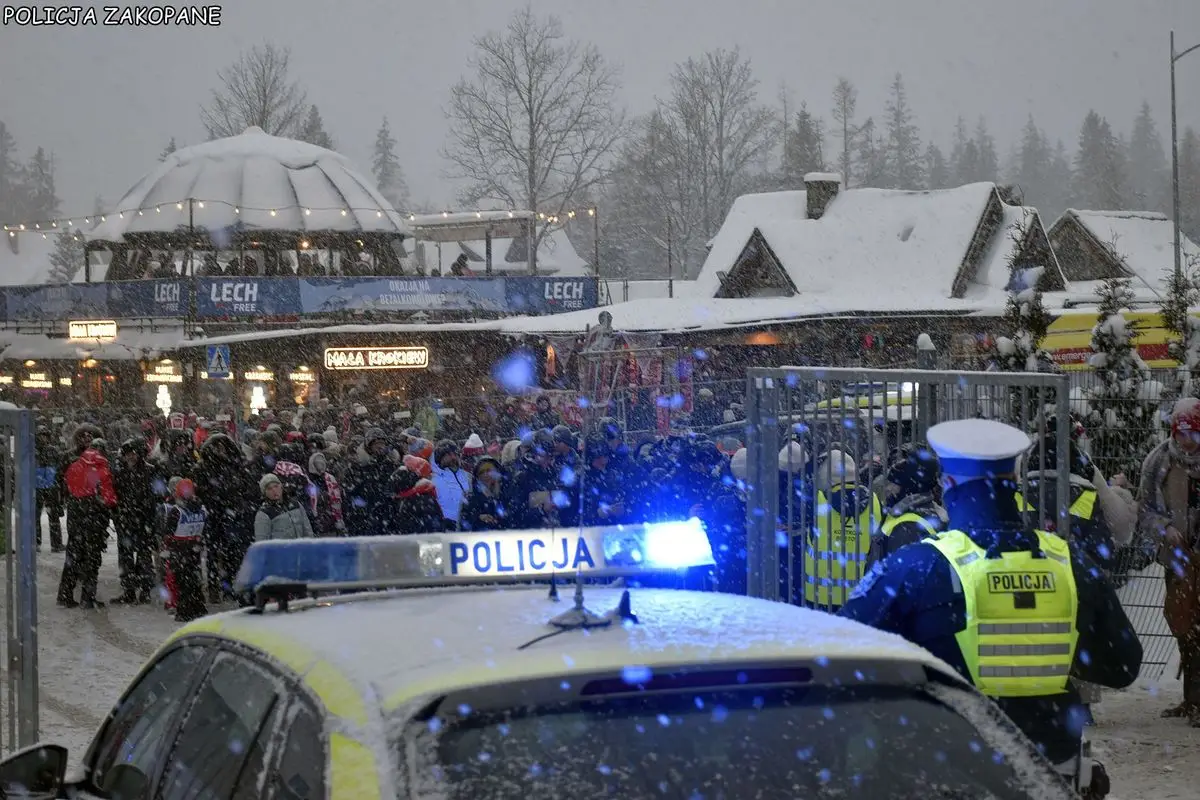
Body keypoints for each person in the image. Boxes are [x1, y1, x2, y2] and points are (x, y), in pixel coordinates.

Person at [841, 419, 1141, 797]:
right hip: (1052, 770)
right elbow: (1123, 666)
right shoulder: (1070, 563)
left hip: (951, 770)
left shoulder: (915, 567)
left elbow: (842, 656)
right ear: (1013, 485)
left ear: (948, 486)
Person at [1137, 397, 1200, 723]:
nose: (1189, 441)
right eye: (1183, 433)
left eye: (1195, 434)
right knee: (1184, 627)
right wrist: (1165, 529)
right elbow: (1145, 510)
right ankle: (1191, 701)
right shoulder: (1158, 462)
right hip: (1177, 560)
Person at [56, 425, 118, 609]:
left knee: (84, 556)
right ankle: (76, 594)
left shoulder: (86, 462)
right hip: (86, 513)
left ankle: (80, 595)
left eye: (90, 436)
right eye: (84, 436)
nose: (87, 438)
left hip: (87, 513)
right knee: (83, 556)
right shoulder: (78, 460)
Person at [867, 443, 946, 569]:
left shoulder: (907, 527)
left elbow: (898, 578)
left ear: (908, 488)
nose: (888, 489)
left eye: (894, 484)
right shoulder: (930, 513)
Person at [160, 477, 207, 623]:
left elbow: (168, 533)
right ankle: (198, 607)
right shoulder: (202, 508)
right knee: (194, 580)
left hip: (179, 550)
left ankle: (185, 610)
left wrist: (168, 544)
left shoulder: (176, 511)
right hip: (194, 549)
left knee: (181, 581)